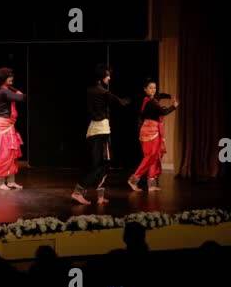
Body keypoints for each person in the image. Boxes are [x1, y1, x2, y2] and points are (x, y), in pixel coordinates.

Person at [71, 64, 130, 205]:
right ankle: (78, 191)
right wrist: (129, 100)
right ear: (101, 77)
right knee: (102, 164)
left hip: (93, 130)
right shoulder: (103, 92)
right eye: (107, 75)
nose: (109, 78)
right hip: (101, 130)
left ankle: (99, 196)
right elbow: (121, 102)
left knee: (100, 164)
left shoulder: (90, 90)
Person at [128, 79, 179, 192]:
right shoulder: (151, 102)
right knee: (150, 156)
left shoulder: (149, 100)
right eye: (150, 88)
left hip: (152, 129)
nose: (153, 90)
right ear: (145, 89)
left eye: (154, 88)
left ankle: (151, 184)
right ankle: (133, 179)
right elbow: (163, 112)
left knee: (154, 157)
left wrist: (169, 95)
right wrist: (174, 106)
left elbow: (160, 96)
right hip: (150, 131)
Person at [0, 67, 27, 190]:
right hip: (2, 126)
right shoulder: (3, 91)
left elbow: (20, 96)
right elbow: (21, 98)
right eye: (9, 76)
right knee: (4, 155)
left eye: (12, 76)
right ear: (3, 79)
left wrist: (13, 88)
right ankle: (1, 182)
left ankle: (11, 181)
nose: (12, 78)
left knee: (12, 154)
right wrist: (17, 91)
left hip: (10, 125)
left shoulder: (7, 89)